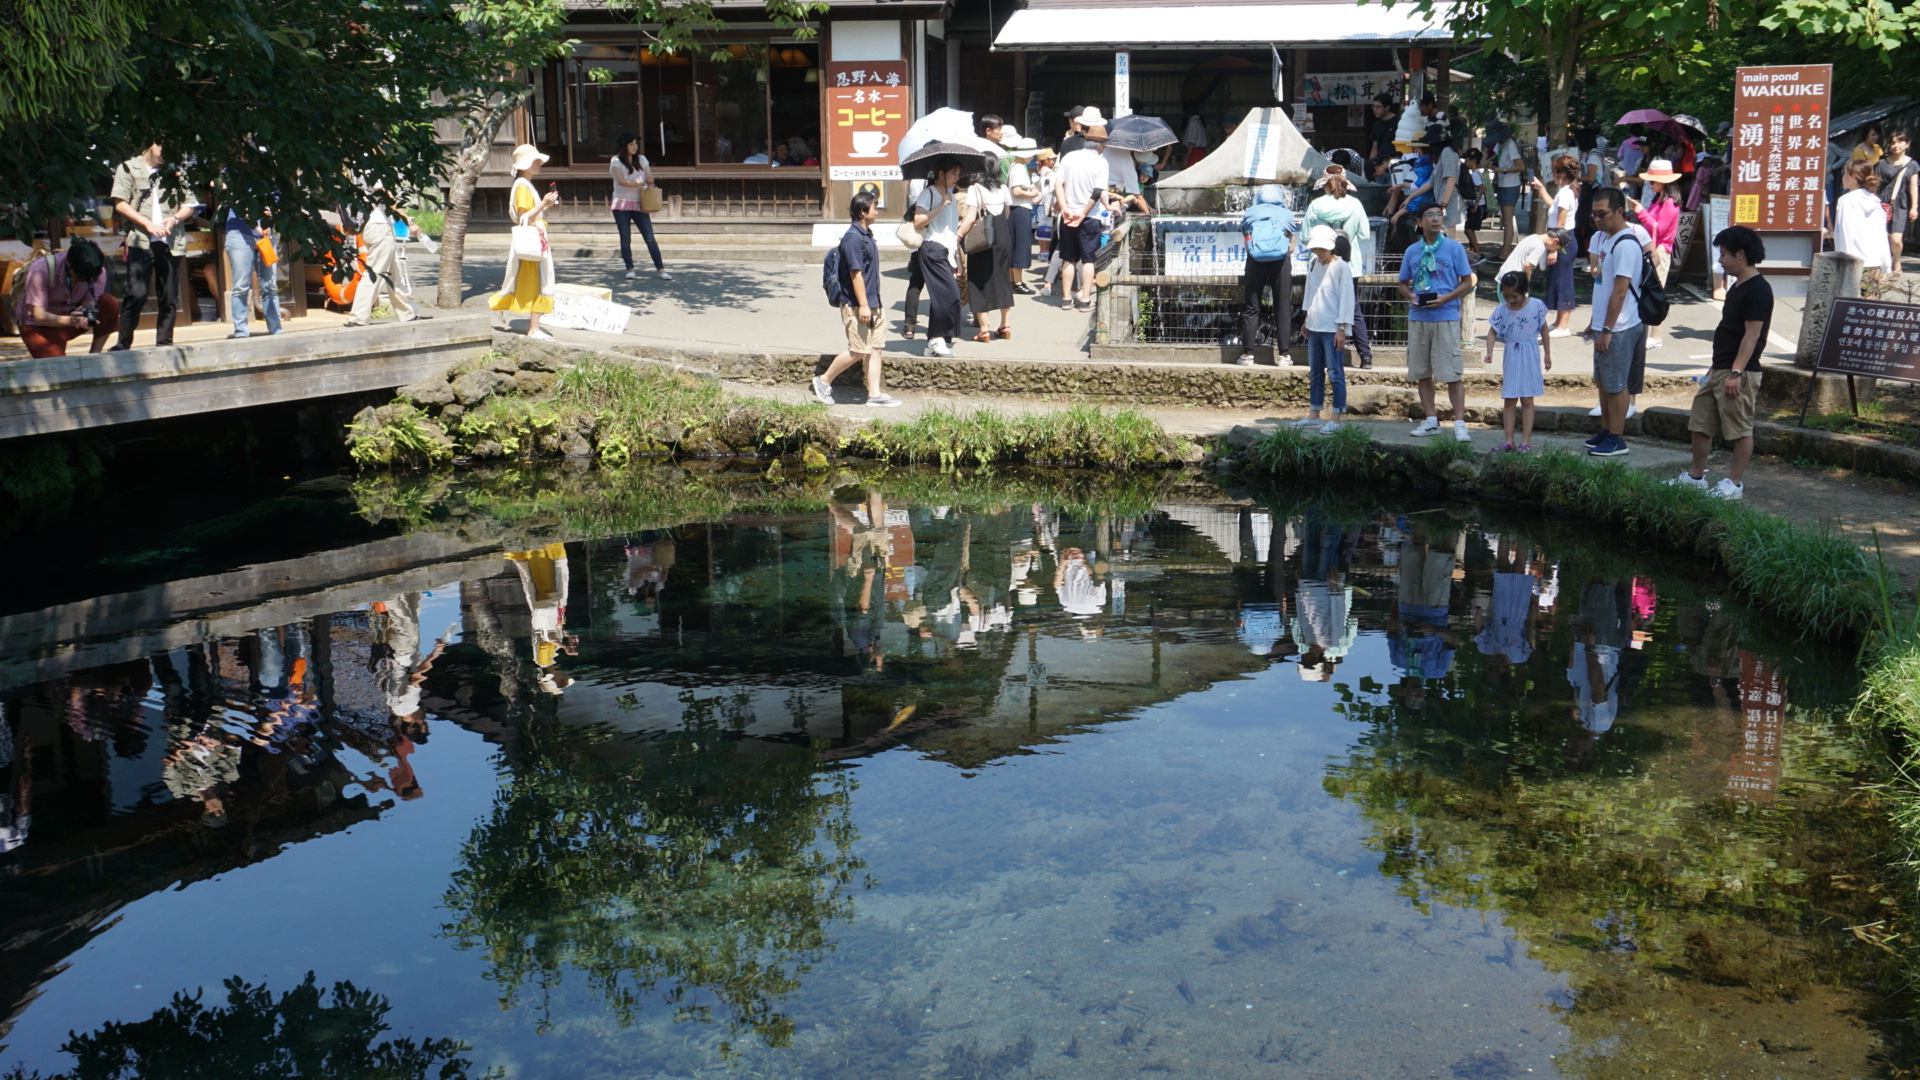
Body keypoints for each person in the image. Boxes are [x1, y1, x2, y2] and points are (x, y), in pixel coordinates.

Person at [1669, 226, 1772, 501]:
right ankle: (1695, 476)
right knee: (1700, 422)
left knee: (1739, 428)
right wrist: (1716, 368)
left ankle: (1734, 483)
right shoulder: (1737, 286)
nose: (1721, 261)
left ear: (1740, 254)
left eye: (1724, 254)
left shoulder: (1758, 290)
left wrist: (1735, 372)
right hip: (1720, 367)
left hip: (1740, 371)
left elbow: (1752, 335)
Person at [1398, 203, 1477, 442]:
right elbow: (1403, 282)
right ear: (1419, 222)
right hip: (1418, 317)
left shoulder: (1454, 248)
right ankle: (1431, 419)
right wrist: (1410, 295)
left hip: (1446, 317)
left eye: (1438, 215)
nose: (1435, 219)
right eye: (1428, 215)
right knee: (1422, 372)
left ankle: (1460, 424)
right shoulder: (1412, 250)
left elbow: (1468, 281)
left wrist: (1447, 297)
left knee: (1452, 373)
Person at [814, 191, 901, 408]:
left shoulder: (866, 234)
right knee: (859, 349)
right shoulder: (852, 238)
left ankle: (874, 394)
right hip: (856, 304)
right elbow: (856, 274)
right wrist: (863, 305)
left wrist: (872, 304)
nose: (877, 211)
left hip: (873, 303)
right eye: (874, 207)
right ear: (863, 211)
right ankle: (823, 381)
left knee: (876, 348)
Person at [110, 142, 195, 351]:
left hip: (170, 241)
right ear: (150, 146)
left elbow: (190, 203)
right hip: (140, 239)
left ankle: (164, 343)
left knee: (169, 295)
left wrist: (174, 219)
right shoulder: (128, 167)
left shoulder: (175, 170)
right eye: (162, 150)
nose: (165, 155)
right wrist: (147, 223)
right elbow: (120, 203)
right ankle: (124, 342)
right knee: (136, 293)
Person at [1583, 187, 1644, 458]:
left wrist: (1606, 328)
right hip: (1606, 325)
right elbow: (1603, 287)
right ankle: (1607, 431)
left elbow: (1620, 291)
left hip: (1620, 326)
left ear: (1620, 211)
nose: (1597, 219)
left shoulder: (1627, 244)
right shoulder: (1607, 239)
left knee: (1616, 383)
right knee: (1604, 381)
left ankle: (1618, 438)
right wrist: (1595, 323)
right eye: (1594, 214)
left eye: (1602, 213)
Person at [490, 144, 560, 339]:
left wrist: (546, 205)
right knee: (538, 280)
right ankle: (534, 328)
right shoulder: (522, 185)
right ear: (525, 164)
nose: (539, 164)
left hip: (533, 238)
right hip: (532, 239)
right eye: (535, 161)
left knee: (531, 280)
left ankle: (531, 325)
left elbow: (527, 215)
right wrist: (544, 204)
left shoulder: (523, 184)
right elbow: (525, 217)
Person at [1289, 225, 1353, 431]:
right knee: (1315, 371)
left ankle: (1336, 419)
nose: (1319, 253)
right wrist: (1307, 317)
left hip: (1332, 327)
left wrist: (1342, 328)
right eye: (1316, 249)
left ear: (1332, 247)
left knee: (1335, 372)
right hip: (1315, 325)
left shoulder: (1341, 267)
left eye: (1322, 249)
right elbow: (1310, 291)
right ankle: (1314, 414)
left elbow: (1347, 299)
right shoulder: (1315, 263)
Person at [1483, 269, 1551, 451]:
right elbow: (1492, 331)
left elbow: (1544, 330)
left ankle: (1526, 440)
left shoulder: (1536, 305)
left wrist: (1547, 354)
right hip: (1511, 354)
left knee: (1528, 399)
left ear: (1524, 291)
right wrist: (1489, 351)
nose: (1510, 300)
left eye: (1515, 296)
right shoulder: (1502, 309)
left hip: (1530, 353)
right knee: (1510, 399)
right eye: (1506, 296)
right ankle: (1509, 440)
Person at [16, 240, 119, 358]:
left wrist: (84, 315)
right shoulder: (40, 270)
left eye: (90, 279)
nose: (84, 280)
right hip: (40, 324)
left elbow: (89, 303)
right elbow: (40, 316)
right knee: (58, 367)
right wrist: (71, 320)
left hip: (71, 317)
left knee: (109, 303)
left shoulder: (96, 272)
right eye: (80, 276)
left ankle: (94, 356)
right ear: (68, 263)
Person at [1235, 183, 1297, 367]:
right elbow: (1291, 245)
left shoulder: (1251, 212)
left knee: (1252, 307)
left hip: (1255, 261)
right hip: (1280, 262)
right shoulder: (1286, 214)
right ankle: (1284, 355)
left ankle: (1247, 355)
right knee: (1283, 307)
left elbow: (1247, 241)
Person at [347, 172, 420, 327]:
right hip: (379, 225)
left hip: (371, 226)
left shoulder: (357, 166)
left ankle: (407, 313)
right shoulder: (371, 166)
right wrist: (408, 220)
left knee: (394, 273)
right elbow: (387, 197)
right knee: (374, 272)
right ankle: (358, 316)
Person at [913, 163, 971, 357]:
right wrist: (940, 206)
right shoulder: (928, 194)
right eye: (953, 173)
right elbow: (918, 220)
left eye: (958, 174)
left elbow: (952, 230)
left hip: (945, 251)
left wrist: (956, 258)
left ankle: (934, 340)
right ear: (940, 173)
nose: (957, 177)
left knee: (943, 296)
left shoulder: (952, 197)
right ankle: (937, 338)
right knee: (949, 295)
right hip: (931, 248)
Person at [1625, 159, 1680, 349]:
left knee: (1655, 292)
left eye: (1652, 181)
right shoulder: (1662, 199)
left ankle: (1656, 336)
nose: (1650, 184)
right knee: (1651, 290)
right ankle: (1653, 335)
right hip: (1655, 249)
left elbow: (1659, 228)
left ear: (1663, 181)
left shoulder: (1669, 203)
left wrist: (1641, 212)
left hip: (1660, 251)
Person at [1054, 133, 1109, 312]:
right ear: (1100, 144)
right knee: (1088, 260)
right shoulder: (1101, 161)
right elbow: (1097, 191)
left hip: (1068, 215)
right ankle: (1085, 300)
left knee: (1068, 259)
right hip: (1089, 216)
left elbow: (1058, 184)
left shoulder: (1069, 157)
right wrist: (1084, 212)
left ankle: (1066, 299)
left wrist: (1064, 208)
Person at [1529, 155, 1582, 337]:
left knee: (1563, 281)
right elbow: (1554, 208)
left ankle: (1563, 326)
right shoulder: (1567, 190)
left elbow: (1560, 225)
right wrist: (1542, 189)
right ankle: (1559, 322)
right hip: (1563, 241)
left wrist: (1553, 249)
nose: (1552, 174)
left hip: (1562, 241)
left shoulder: (1567, 192)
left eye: (1553, 171)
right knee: (1559, 280)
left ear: (1560, 173)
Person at [963, 164, 1014, 341]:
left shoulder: (975, 188)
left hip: (983, 240)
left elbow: (970, 218)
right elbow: (1006, 214)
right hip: (1003, 237)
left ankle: (984, 330)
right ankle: (1005, 325)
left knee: (978, 280)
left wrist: (959, 234)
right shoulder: (1003, 188)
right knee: (1002, 279)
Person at [610, 132, 670, 280]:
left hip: (640, 203)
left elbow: (649, 176)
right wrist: (640, 183)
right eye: (631, 144)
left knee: (649, 237)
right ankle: (630, 268)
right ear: (623, 146)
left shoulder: (642, 159)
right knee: (625, 237)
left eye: (636, 144)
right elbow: (621, 181)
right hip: (621, 203)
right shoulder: (616, 161)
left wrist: (649, 179)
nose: (635, 147)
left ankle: (661, 270)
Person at [222, 204, 282, 339]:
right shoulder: (236, 182)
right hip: (239, 232)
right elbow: (238, 204)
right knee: (241, 286)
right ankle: (241, 333)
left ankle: (276, 330)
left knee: (270, 285)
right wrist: (256, 224)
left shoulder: (274, 183)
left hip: (267, 235)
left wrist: (270, 218)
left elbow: (279, 206)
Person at [1834, 161, 1893, 274]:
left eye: (1845, 174)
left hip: (1854, 263)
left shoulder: (1847, 201)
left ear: (1853, 177)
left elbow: (1846, 234)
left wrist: (1845, 265)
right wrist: (1886, 266)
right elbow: (1881, 235)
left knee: (1851, 292)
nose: (1842, 177)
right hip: (1874, 262)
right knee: (1871, 291)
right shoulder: (1875, 200)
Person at [1878, 131, 1919, 273]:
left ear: (1907, 144)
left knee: (1896, 238)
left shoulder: (1912, 164)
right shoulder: (1882, 163)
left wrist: (1914, 207)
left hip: (1901, 203)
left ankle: (1896, 259)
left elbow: (1913, 186)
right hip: (1882, 202)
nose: (1896, 145)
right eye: (1893, 142)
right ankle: (1881, 263)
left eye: (1900, 142)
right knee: (1880, 235)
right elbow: (1875, 184)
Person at [1005, 137, 1042, 293]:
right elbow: (1017, 191)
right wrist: (1032, 192)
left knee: (1014, 246)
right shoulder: (1019, 167)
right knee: (1020, 246)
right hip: (1019, 210)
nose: (1032, 157)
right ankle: (1018, 283)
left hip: (1015, 210)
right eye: (1031, 154)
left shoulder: (1015, 166)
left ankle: (1013, 281)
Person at [1491, 122, 1526, 254]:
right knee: (1505, 220)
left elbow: (1521, 166)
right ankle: (1504, 250)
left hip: (1510, 185)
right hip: (1502, 184)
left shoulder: (1510, 145)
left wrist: (1503, 170)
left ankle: (1505, 253)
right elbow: (1495, 156)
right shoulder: (1500, 144)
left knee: (1507, 220)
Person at [1497, 226, 1569, 286]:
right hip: (1515, 280)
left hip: (1503, 274)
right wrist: (1528, 275)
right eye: (1557, 248)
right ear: (1555, 241)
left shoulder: (1533, 237)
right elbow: (1527, 265)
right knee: (1520, 303)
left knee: (1505, 303)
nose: (1555, 250)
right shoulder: (1540, 246)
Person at [1459, 146, 1485, 257]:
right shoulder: (1476, 173)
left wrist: (1476, 203)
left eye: (1467, 160)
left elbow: (1482, 188)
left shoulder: (1474, 174)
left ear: (1473, 161)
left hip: (1476, 205)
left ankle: (1478, 253)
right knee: (1470, 229)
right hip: (1475, 204)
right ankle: (1473, 252)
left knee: (1468, 230)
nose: (1465, 162)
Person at [1367, 93, 1401, 178]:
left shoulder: (1398, 122)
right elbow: (1375, 147)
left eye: (1378, 107)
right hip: (1380, 166)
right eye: (1373, 107)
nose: (1375, 110)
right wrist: (1371, 165)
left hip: (1395, 165)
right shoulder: (1377, 124)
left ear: (1387, 107)